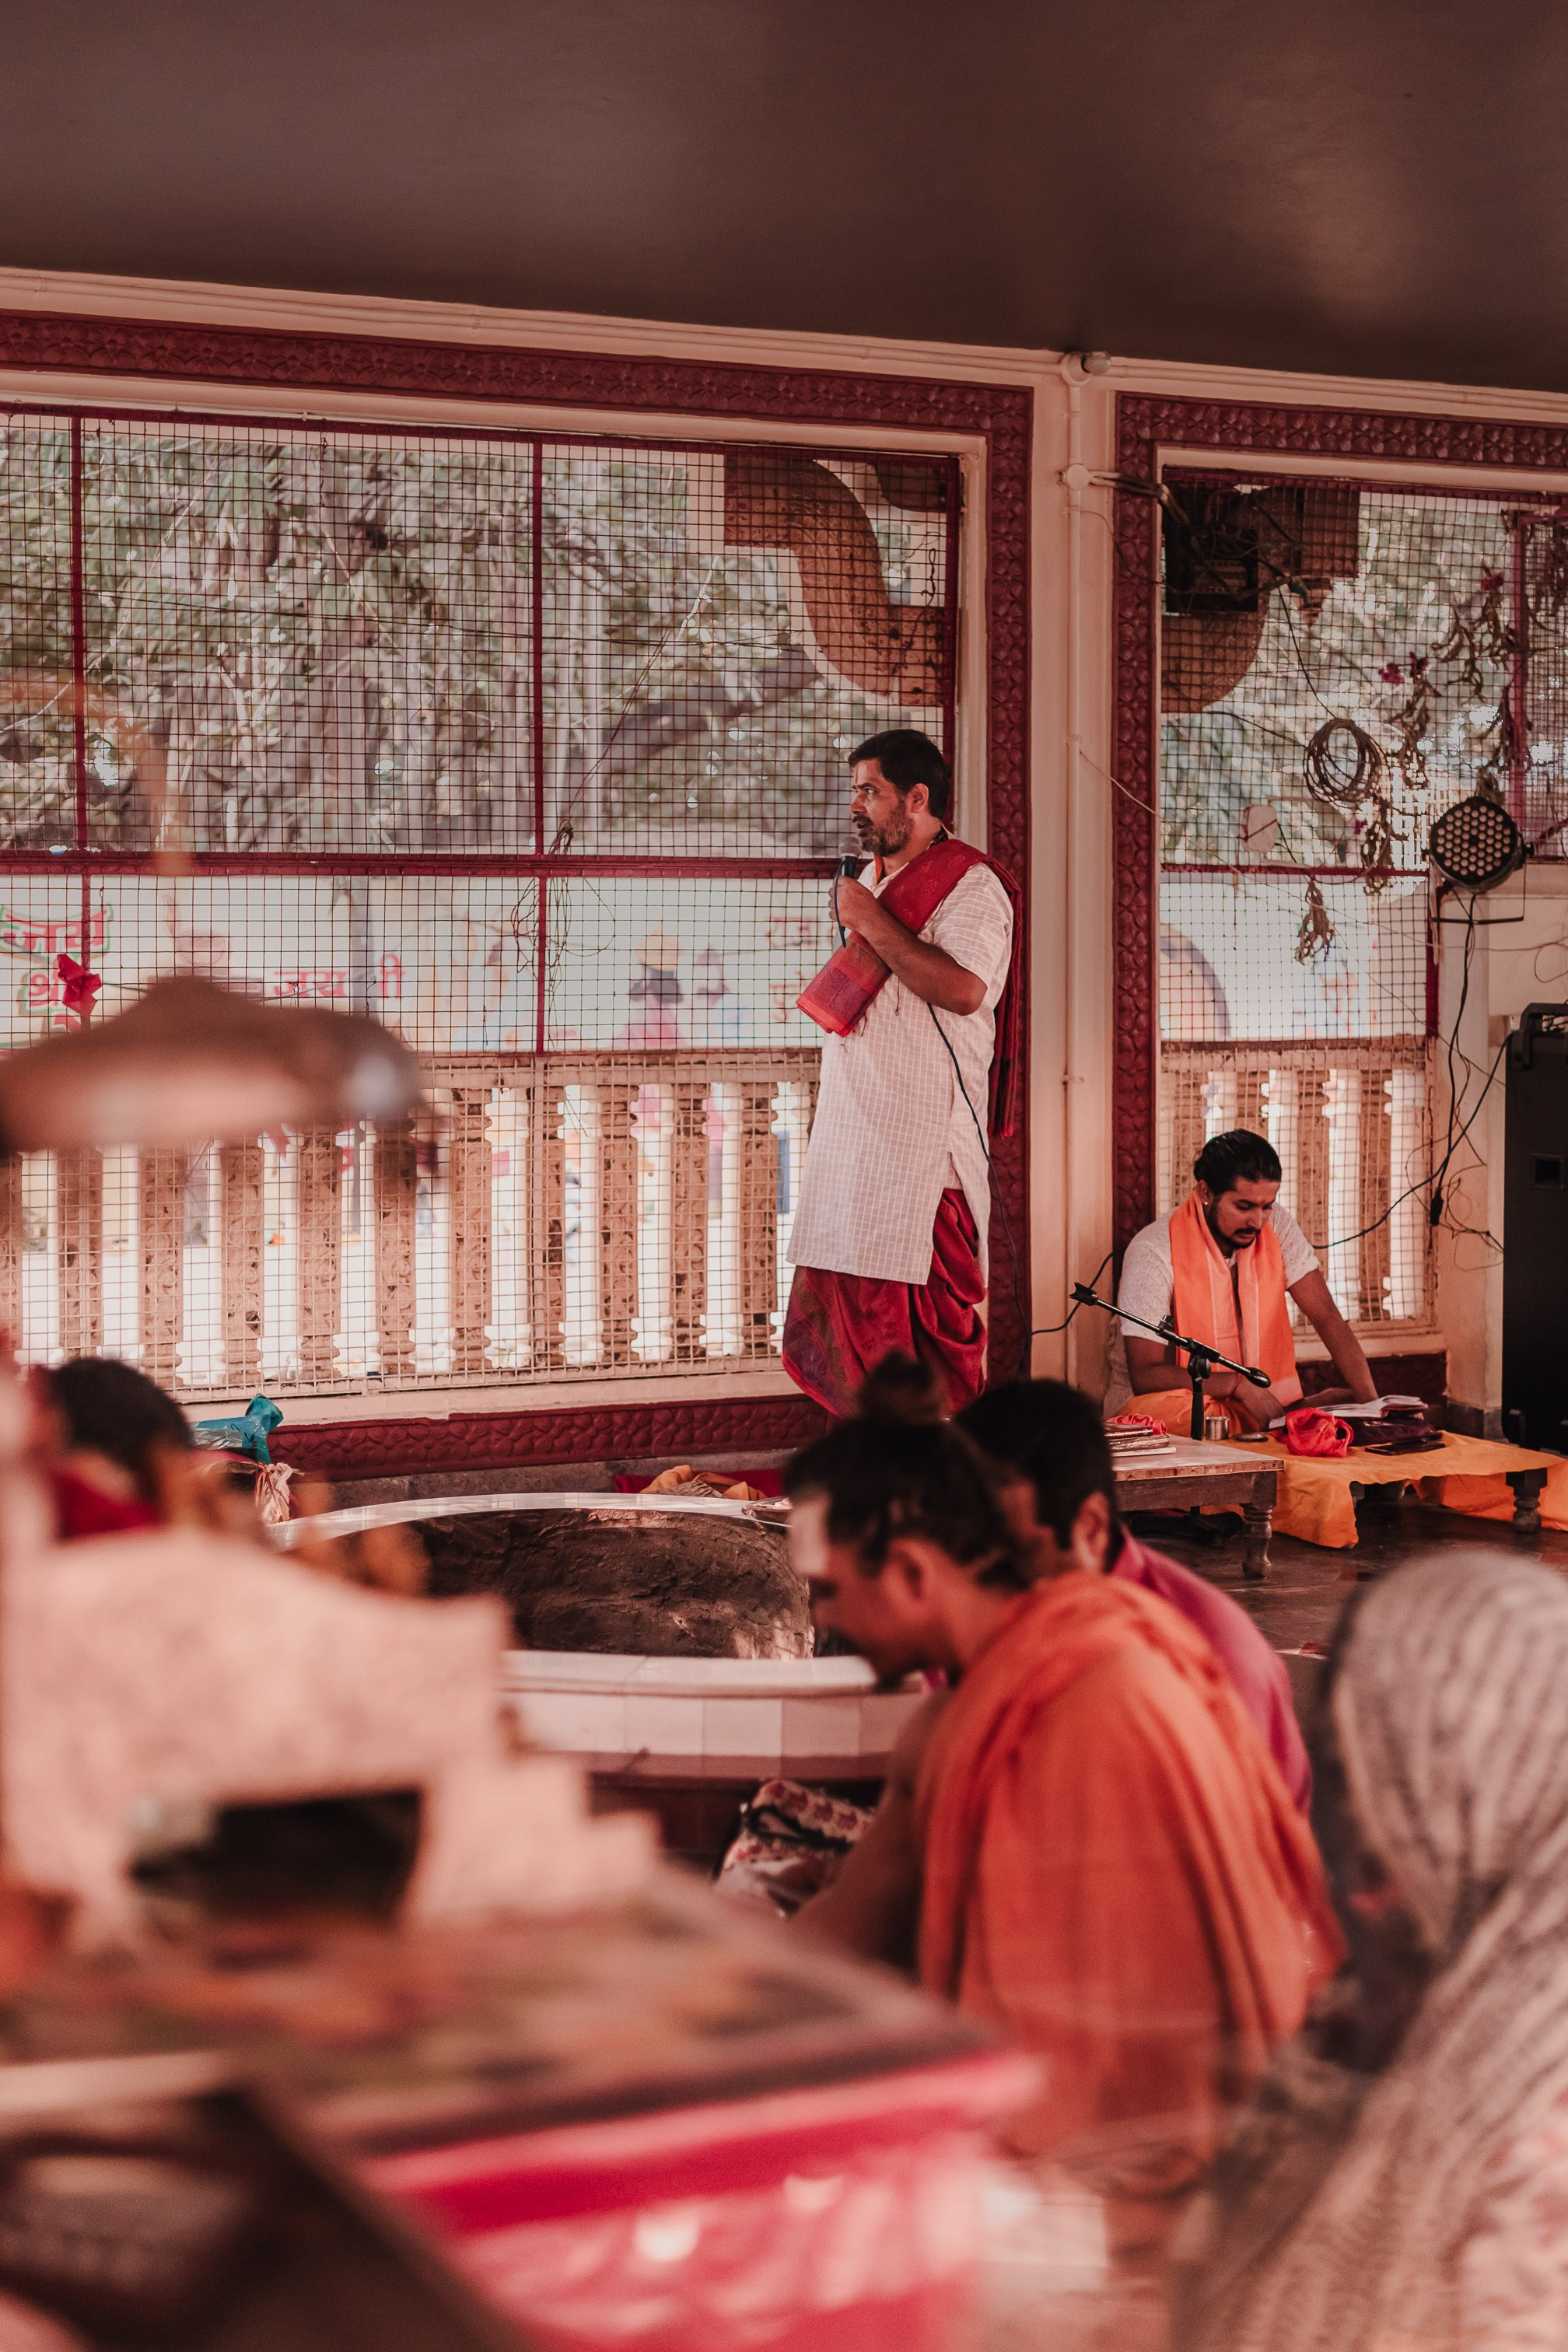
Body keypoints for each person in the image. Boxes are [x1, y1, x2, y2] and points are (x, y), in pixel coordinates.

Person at [786, 1358, 1339, 2264]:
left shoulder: (1123, 1688)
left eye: (836, 1588)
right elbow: (855, 1918)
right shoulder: (980, 1692)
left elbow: (1151, 2018)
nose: (823, 1616)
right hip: (1063, 2127)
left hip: (1139, 2179)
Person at [1175, 1551, 1568, 2352]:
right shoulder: (1375, 2009)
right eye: (1342, 1776)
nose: (1352, 1846)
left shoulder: (1543, 2131)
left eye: (1401, 1793)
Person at [782, 730, 1018, 1417]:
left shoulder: (971, 884)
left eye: (869, 790)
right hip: (856, 1148)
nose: (855, 804)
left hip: (923, 1157)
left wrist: (871, 921)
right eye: (855, 789)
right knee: (853, 1348)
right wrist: (871, 907)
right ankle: (874, 1489)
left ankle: (936, 1498)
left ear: (918, 799)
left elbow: (967, 990)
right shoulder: (872, 877)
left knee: (922, 1362)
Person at [958, 1377, 1311, 1808]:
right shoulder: (978, 1614)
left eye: (1010, 1555)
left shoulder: (1215, 1660)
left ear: (1088, 1528)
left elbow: (1240, 1853)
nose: (979, 1588)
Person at [1108, 1128, 1379, 1430]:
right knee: (1190, 1420)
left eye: (1267, 1206)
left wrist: (1373, 1406)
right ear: (1205, 1193)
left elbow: (1326, 1315)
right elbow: (1145, 1376)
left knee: (1348, 1404)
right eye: (1243, 1206)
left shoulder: (1274, 1226)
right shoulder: (1155, 1251)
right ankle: (1277, 1422)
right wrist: (1238, 1384)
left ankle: (1280, 1420)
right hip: (1166, 1410)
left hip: (1250, 1403)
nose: (1257, 1221)